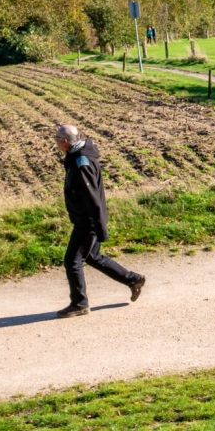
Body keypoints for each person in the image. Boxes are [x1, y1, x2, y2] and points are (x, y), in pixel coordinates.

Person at [55, 125, 145, 318]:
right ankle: (133, 280)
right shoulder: (77, 156)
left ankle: (79, 303)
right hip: (86, 219)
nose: (55, 141)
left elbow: (92, 197)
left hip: (87, 221)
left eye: (57, 138)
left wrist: (99, 226)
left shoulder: (81, 163)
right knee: (92, 256)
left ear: (64, 141)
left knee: (72, 261)